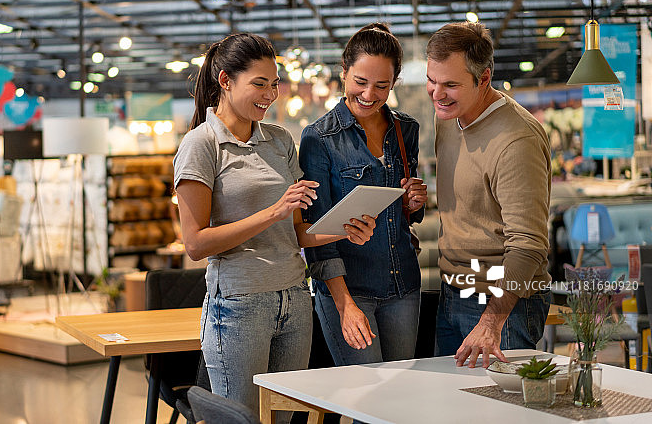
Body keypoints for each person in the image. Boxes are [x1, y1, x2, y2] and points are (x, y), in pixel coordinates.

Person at [173, 32, 376, 417]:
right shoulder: (201, 145)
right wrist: (273, 210)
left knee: (286, 418)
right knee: (242, 418)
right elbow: (196, 244)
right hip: (238, 306)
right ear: (226, 81)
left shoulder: (280, 140)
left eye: (274, 83)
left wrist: (344, 228)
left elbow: (297, 232)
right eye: (259, 84)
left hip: (295, 299)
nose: (270, 94)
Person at [299, 23, 428, 366]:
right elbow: (317, 235)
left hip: (403, 285)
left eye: (381, 85)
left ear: (394, 83)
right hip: (349, 290)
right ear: (343, 73)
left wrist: (412, 204)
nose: (369, 94)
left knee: (402, 396)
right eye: (360, 82)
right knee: (367, 401)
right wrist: (344, 304)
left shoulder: (406, 130)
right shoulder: (319, 140)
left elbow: (404, 214)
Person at [426, 22, 552, 368]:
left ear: (484, 79)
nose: (437, 94)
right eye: (432, 81)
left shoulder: (517, 140)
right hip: (453, 291)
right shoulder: (448, 117)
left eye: (450, 84)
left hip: (502, 306)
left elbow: (528, 244)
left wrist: (491, 322)